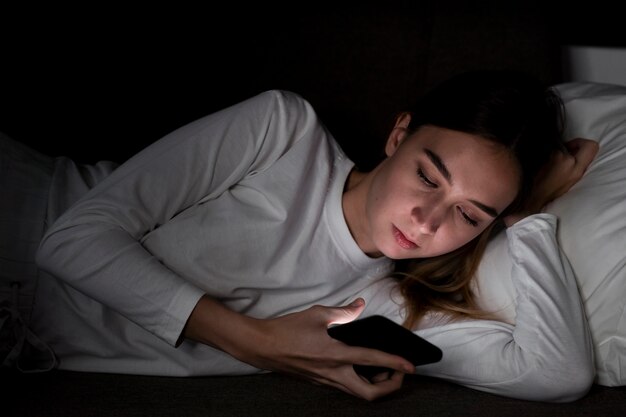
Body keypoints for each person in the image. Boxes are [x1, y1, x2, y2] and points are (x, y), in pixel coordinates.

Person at [1, 70, 597, 402]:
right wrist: (256, 342)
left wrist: (530, 215)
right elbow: (70, 240)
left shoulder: (380, 306)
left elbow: (557, 373)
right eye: (426, 176)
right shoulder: (285, 131)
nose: (428, 222)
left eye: (470, 216)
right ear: (399, 134)